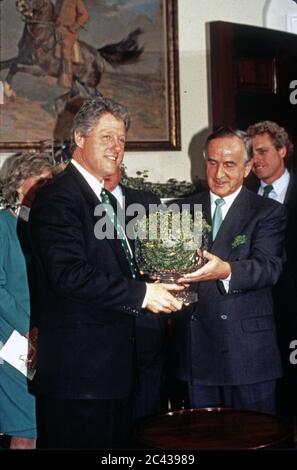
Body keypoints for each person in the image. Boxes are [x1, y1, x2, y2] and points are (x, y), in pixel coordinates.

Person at [29, 96, 183, 449]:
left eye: (122, 140)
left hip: (117, 375)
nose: (117, 148)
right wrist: (144, 294)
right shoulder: (58, 197)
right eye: (107, 137)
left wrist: (162, 279)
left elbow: (120, 266)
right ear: (79, 139)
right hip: (79, 379)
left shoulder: (107, 200)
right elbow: (69, 274)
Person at [171, 127, 287, 414]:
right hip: (196, 352)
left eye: (230, 164)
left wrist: (226, 271)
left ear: (248, 167)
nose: (219, 173)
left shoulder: (268, 211)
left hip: (248, 354)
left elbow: (269, 268)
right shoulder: (180, 210)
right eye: (212, 162)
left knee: (254, 439)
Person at [104, 168, 168, 422]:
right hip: (103, 320)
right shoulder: (77, 203)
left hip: (147, 319)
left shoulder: (147, 201)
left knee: (149, 399)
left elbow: (166, 250)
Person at [0, 152, 53, 449]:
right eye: (41, 182)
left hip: (42, 340)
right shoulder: (2, 224)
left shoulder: (38, 227)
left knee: (43, 423)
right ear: (20, 185)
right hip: (13, 343)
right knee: (26, 426)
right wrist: (28, 328)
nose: (47, 189)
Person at [246, 120, 297, 424]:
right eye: (251, 153)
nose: (256, 161)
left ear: (283, 150)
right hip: (258, 313)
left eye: (263, 151)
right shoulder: (244, 197)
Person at [54, 0, 89, 89]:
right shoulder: (58, 1)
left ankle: (67, 79)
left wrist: (73, 28)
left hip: (68, 31)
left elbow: (84, 15)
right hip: (56, 29)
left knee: (65, 50)